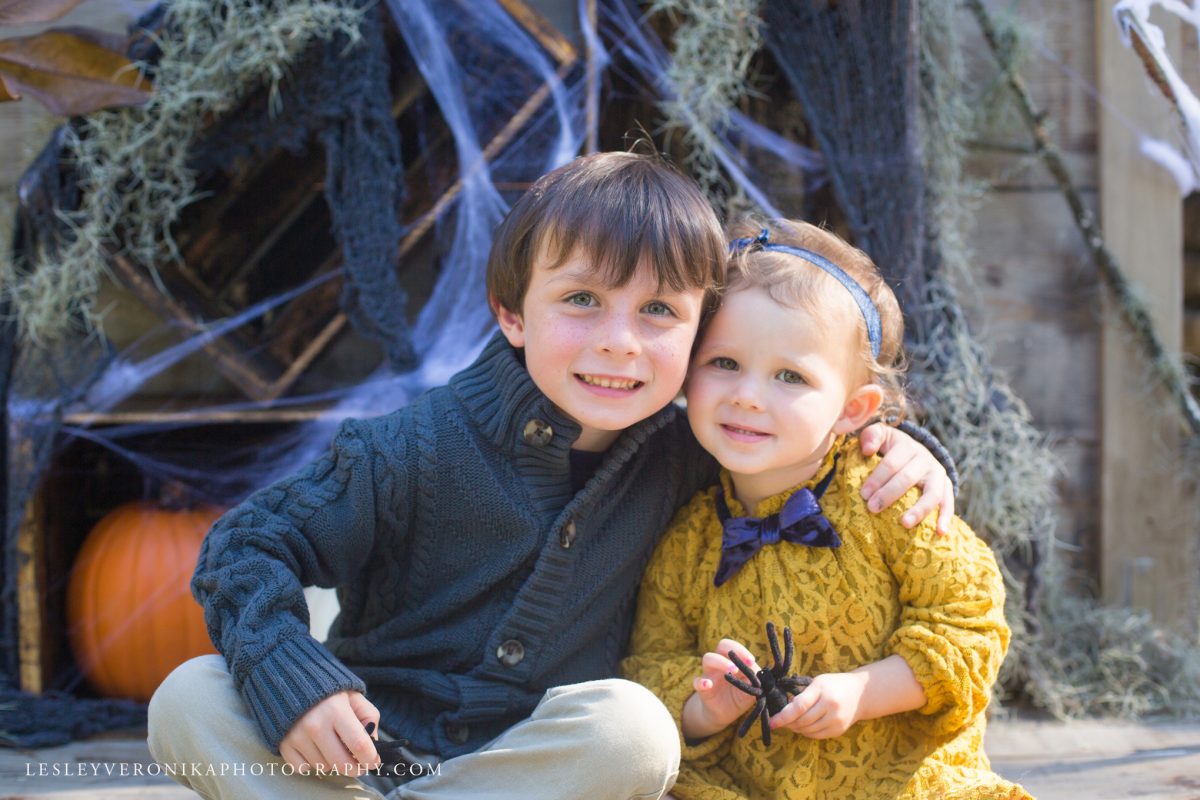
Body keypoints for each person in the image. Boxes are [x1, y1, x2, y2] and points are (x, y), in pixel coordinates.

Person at [147, 154, 955, 800]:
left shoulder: (690, 450)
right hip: (361, 747)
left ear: (698, 330)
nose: (620, 343)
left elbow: (795, 439)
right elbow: (246, 545)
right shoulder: (413, 447)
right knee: (189, 696)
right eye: (581, 300)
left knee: (635, 728)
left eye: (659, 313)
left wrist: (896, 440)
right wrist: (299, 680)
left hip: (534, 770)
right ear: (511, 314)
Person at [621, 220, 1030, 800]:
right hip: (744, 784)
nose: (747, 395)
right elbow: (651, 661)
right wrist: (706, 706)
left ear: (852, 409)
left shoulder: (887, 495)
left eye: (791, 376)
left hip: (902, 779)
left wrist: (865, 692)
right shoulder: (687, 537)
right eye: (724, 363)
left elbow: (969, 621)